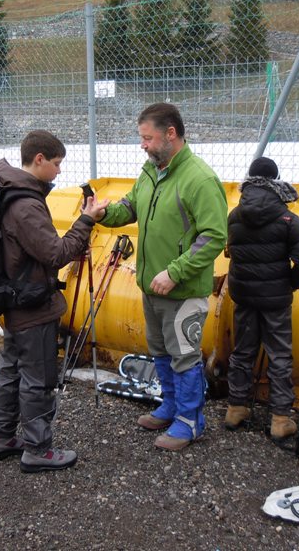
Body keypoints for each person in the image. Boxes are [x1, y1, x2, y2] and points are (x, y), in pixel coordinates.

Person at [98, 103, 228, 451]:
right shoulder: (151, 171)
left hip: (182, 289)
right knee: (160, 350)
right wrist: (102, 213)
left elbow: (214, 236)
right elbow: (130, 207)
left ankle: (191, 422)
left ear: (171, 134)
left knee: (184, 354)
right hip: (151, 287)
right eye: (141, 138)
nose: (143, 145)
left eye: (148, 138)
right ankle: (170, 406)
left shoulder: (199, 179)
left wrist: (175, 272)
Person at [0, 130, 108, 473]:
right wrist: (86, 220)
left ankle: (2, 437)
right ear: (38, 159)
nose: (58, 172)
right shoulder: (25, 204)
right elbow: (56, 254)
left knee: (10, 371)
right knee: (38, 377)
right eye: (56, 164)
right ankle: (38, 448)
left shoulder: (11, 191)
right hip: (33, 303)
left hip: (15, 300)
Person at [223, 157, 299, 440]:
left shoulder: (235, 215)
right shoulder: (286, 217)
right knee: (279, 356)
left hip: (244, 297)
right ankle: (280, 420)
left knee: (242, 352)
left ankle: (236, 408)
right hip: (275, 301)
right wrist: (291, 282)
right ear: (275, 181)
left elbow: (233, 252)